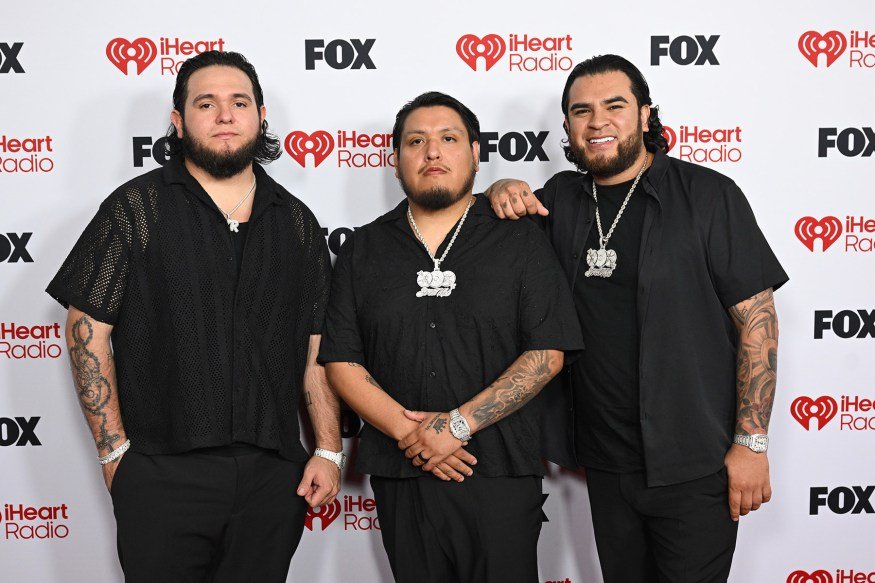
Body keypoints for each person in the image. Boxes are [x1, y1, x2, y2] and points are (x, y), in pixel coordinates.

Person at [486, 54, 788, 582]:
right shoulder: (558, 199)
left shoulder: (708, 195)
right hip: (605, 463)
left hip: (696, 462)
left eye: (615, 106)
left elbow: (758, 321)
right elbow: (479, 237)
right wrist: (497, 189)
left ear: (646, 115)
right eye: (582, 111)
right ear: (567, 127)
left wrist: (752, 442)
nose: (597, 121)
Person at [46, 51, 343, 583]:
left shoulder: (297, 223)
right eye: (206, 103)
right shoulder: (136, 209)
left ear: (260, 116)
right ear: (179, 121)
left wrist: (327, 448)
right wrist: (115, 452)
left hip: (272, 475)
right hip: (161, 471)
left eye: (239, 102)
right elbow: (86, 329)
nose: (225, 115)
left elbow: (316, 346)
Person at [317, 91, 583, 583]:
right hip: (402, 471)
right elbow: (341, 362)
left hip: (500, 470)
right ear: (395, 162)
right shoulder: (364, 249)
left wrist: (456, 426)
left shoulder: (521, 238)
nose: (432, 152)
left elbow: (547, 352)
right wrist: (412, 434)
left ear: (477, 154)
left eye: (448, 138)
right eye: (416, 141)